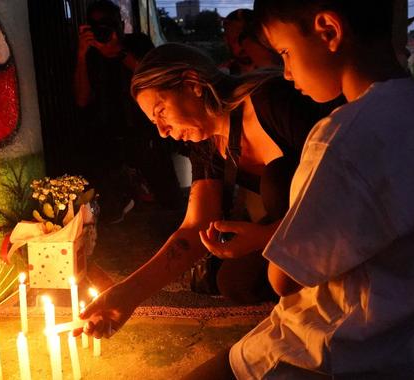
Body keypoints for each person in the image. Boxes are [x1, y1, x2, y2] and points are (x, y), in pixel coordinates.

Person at [193, 0, 414, 378]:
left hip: (331, 350)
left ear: (328, 31)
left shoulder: (338, 137)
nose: (285, 73)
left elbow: (283, 279)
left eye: (285, 52)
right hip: (405, 348)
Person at [76, 42, 342, 339]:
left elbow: (348, 186)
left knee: (278, 182)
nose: (162, 131)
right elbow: (195, 229)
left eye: (161, 111)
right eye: (154, 122)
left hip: (338, 221)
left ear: (193, 84)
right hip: (290, 230)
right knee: (233, 281)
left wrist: (266, 236)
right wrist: (126, 296)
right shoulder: (207, 140)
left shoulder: (272, 102)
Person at [73, 0, 182, 223]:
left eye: (108, 23)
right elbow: (81, 99)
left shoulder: (138, 43)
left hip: (145, 133)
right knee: (113, 210)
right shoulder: (89, 54)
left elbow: (156, 78)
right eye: (95, 26)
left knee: (168, 199)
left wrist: (119, 53)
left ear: (121, 24)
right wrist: (81, 56)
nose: (103, 30)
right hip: (107, 137)